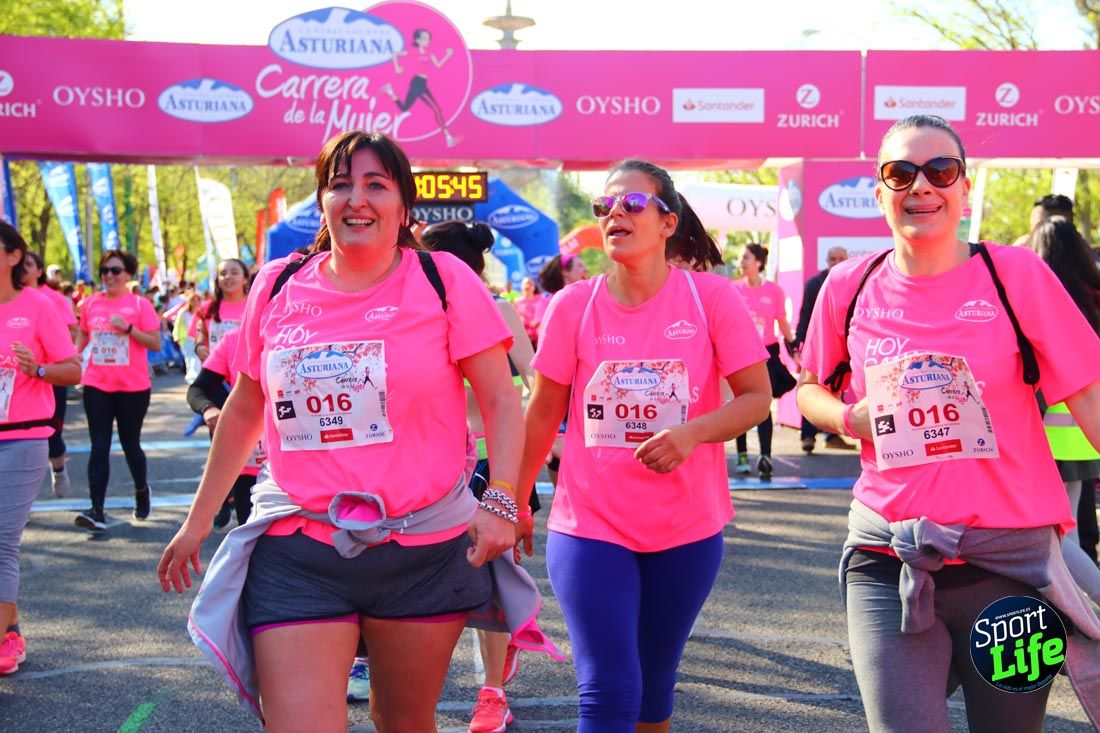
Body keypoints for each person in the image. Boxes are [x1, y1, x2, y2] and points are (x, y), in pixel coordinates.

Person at [157, 131, 535, 732]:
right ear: (323, 202)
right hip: (299, 549)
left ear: (403, 207)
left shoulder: (444, 280)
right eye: (340, 185)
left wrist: (502, 498)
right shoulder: (278, 284)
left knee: (403, 722)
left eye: (375, 185)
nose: (356, 199)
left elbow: (501, 399)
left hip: (424, 550)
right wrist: (197, 520)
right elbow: (245, 405)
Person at [797, 114, 1100, 732]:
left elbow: (1091, 398)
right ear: (879, 192)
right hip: (888, 558)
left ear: (964, 189)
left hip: (1012, 567)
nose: (921, 187)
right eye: (899, 173)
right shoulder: (847, 287)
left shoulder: (1017, 276)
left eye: (941, 170)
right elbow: (809, 389)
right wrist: (847, 416)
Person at [514, 159, 771, 732]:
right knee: (609, 692)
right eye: (603, 206)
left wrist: (691, 434)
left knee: (655, 691)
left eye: (631, 204)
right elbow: (543, 412)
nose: (614, 215)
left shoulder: (711, 299)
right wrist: (514, 500)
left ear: (667, 222)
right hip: (590, 527)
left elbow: (756, 398)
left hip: (687, 530)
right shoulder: (573, 305)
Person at [422, 220, 539, 732]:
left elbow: (535, 385)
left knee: (492, 577)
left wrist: (522, 471)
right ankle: (365, 663)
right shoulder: (413, 313)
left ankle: (492, 693)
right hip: (431, 467)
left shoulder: (500, 310)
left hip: (492, 468)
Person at [0, 221, 81, 674]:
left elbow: (73, 370)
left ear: (14, 256)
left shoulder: (39, 306)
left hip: (23, 437)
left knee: (1, 543)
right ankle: (10, 633)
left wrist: (39, 370)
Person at [1027, 215, 1100, 602]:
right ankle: (1075, 616)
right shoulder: (1093, 296)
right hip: (1085, 432)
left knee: (1055, 536)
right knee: (1061, 533)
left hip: (1045, 434)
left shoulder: (1037, 297)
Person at [74, 250, 162, 532]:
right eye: (104, 271)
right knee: (99, 445)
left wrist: (129, 329)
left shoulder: (139, 304)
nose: (109, 276)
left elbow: (156, 344)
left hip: (133, 387)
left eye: (115, 270)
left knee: (129, 444)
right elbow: (84, 333)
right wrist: (75, 354)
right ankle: (96, 510)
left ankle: (141, 490)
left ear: (127, 274)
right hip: (97, 383)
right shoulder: (90, 304)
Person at [186, 328, 264, 531]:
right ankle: (224, 503)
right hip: (250, 462)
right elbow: (198, 388)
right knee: (250, 539)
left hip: (297, 466)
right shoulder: (234, 339)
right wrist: (208, 408)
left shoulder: (308, 331)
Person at [732, 243, 797, 480]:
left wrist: (795, 351)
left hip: (767, 353)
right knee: (741, 404)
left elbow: (783, 324)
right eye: (740, 258)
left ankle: (765, 456)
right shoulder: (733, 290)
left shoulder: (774, 291)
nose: (741, 262)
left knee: (762, 404)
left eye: (745, 257)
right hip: (740, 353)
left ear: (758, 262)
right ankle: (741, 455)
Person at [21, 250, 79, 496]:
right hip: (18, 379)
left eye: (29, 264)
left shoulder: (52, 299)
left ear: (39, 270)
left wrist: (53, 360)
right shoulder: (8, 297)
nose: (23, 268)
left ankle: (58, 468)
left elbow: (72, 331)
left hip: (49, 375)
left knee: (52, 433)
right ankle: (18, 498)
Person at [793, 245, 853, 453]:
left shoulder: (854, 283)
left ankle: (832, 435)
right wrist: (797, 344)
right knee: (811, 389)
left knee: (837, 388)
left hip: (843, 346)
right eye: (833, 258)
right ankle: (808, 437)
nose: (837, 262)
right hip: (815, 346)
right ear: (826, 261)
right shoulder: (814, 284)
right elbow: (804, 315)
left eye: (841, 258)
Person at [380, 28, 460, 147]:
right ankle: (448, 137)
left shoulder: (429, 53)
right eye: (424, 38)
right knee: (436, 109)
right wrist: (397, 67)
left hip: (422, 83)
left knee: (404, 108)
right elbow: (395, 54)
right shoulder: (412, 51)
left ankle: (390, 91)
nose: (427, 41)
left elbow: (438, 65)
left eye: (428, 38)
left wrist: (447, 55)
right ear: (417, 40)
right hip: (417, 83)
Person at [194, 258, 249, 363]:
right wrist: (199, 347)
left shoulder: (255, 305)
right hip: (215, 374)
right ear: (218, 281)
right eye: (223, 274)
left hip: (245, 375)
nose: (228, 277)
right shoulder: (207, 308)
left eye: (234, 273)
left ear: (245, 279)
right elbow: (201, 333)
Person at [513, 276, 545, 349]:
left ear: (534, 287)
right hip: (523, 338)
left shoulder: (540, 300)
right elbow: (515, 320)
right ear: (521, 286)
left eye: (530, 284)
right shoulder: (517, 302)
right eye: (526, 284)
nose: (528, 286)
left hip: (538, 338)